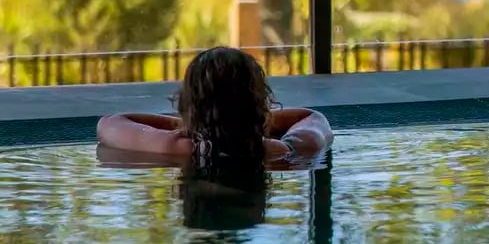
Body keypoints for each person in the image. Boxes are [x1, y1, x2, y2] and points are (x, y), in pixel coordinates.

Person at [96, 46, 333, 167]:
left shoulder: (172, 146)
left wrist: (192, 124)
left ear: (188, 103)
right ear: (259, 103)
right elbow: (313, 118)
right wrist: (253, 124)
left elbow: (109, 123)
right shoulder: (280, 150)